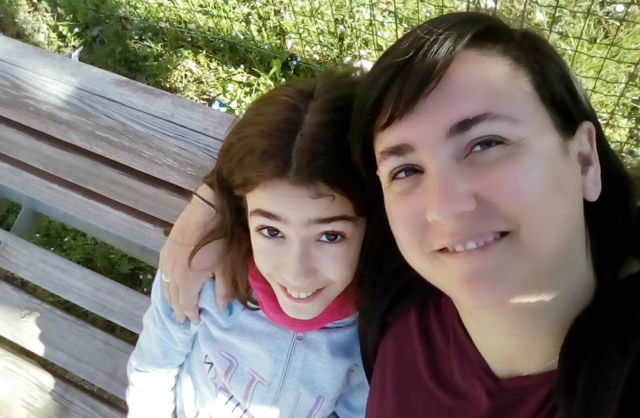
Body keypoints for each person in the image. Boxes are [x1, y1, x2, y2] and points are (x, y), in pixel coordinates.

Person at [158, 12, 640, 418]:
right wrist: (218, 200)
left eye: (486, 143)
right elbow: (299, 149)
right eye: (406, 169)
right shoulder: (400, 286)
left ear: (584, 160)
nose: (444, 206)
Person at [127, 73, 370, 418]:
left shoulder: (372, 331)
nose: (296, 273)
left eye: (330, 236)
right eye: (271, 231)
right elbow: (153, 369)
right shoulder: (200, 274)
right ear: (243, 216)